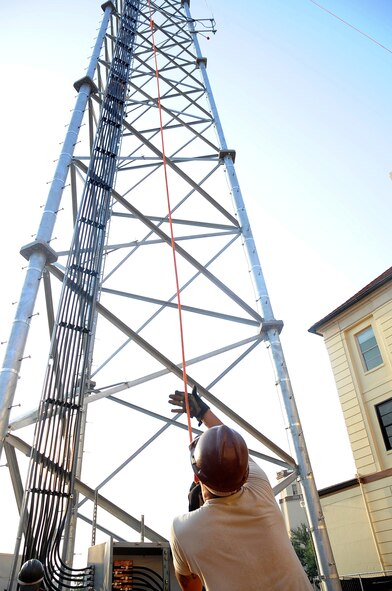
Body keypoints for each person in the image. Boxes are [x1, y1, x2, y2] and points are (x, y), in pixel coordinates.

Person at [168, 387, 313, 591]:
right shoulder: (260, 486)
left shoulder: (182, 529)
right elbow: (232, 448)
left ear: (198, 476)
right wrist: (203, 412)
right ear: (245, 473)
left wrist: (195, 515)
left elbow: (191, 586)